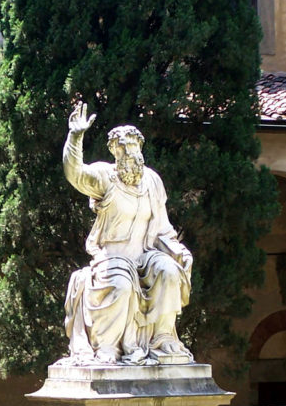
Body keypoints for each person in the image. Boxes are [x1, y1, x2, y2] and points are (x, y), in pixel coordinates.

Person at [59, 101, 194, 366]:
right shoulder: (105, 177)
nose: (128, 151)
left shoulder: (152, 181)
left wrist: (180, 251)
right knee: (120, 285)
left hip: (145, 256)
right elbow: (75, 174)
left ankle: (163, 338)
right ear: (114, 151)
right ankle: (108, 346)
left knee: (168, 271)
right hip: (112, 256)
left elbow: (164, 229)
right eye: (122, 146)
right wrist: (75, 138)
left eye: (133, 145)